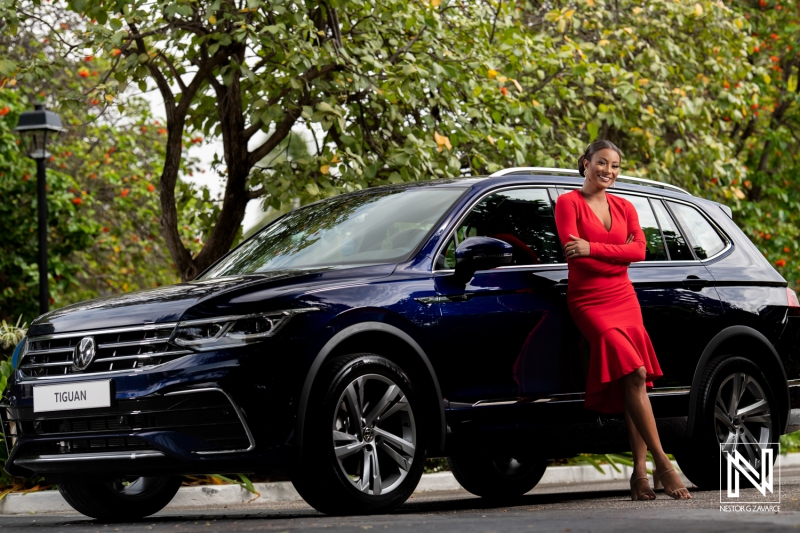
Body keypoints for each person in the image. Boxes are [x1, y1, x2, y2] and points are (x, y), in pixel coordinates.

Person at [554, 140, 691, 501]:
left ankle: (639, 476)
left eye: (614, 166)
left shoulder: (626, 205)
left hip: (623, 298)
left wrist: (593, 247)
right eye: (601, 163)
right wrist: (613, 255)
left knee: (636, 379)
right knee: (634, 372)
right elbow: (577, 259)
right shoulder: (568, 203)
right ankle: (663, 463)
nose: (608, 172)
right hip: (588, 301)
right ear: (585, 163)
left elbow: (640, 251)